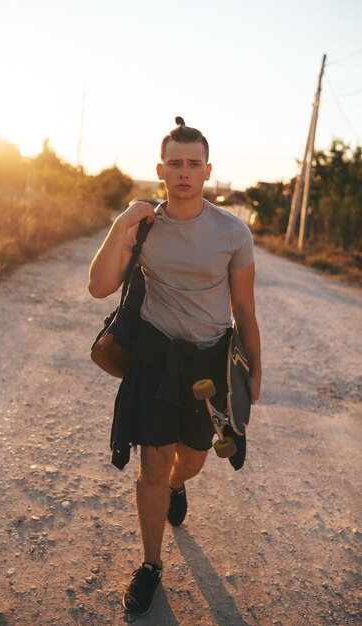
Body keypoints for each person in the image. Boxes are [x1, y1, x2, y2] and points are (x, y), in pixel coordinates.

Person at [88, 117, 261, 616]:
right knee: (153, 464)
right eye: (175, 164)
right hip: (155, 356)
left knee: (192, 458)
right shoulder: (143, 225)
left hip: (208, 359)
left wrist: (253, 370)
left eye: (193, 164)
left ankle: (180, 487)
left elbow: (245, 309)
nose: (184, 173)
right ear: (160, 169)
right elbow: (99, 287)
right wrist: (123, 221)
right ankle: (150, 565)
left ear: (207, 171)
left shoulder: (232, 232)